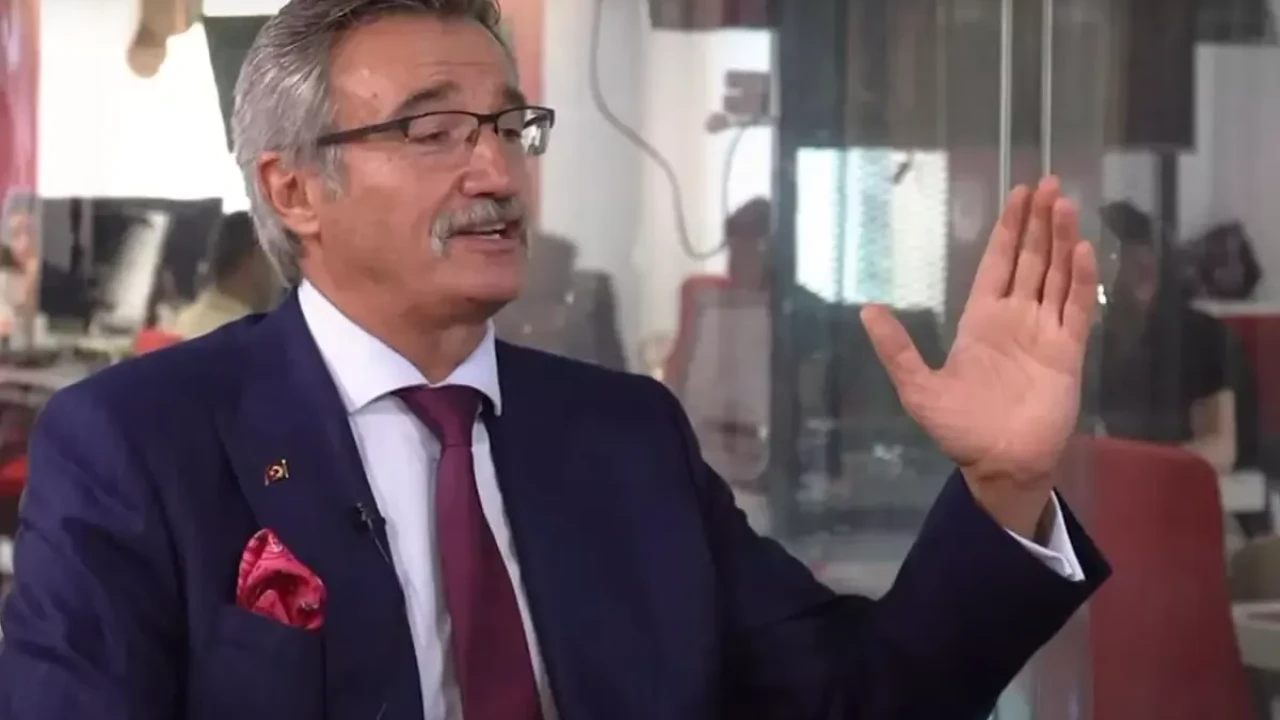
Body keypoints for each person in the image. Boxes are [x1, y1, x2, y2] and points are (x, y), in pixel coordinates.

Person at [0, 2, 1107, 718]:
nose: (495, 172)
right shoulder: (138, 444)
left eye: (509, 126)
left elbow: (855, 702)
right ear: (294, 190)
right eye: (432, 131)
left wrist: (1002, 486)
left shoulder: (625, 436)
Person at [1096, 201, 1238, 472]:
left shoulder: (1202, 336)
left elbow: (1221, 448)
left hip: (1204, 489)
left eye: (1147, 258)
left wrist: (1140, 468)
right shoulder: (1092, 342)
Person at [171, 211, 277, 339]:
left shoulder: (180, 321)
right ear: (254, 258)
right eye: (274, 258)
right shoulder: (250, 339)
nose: (277, 275)